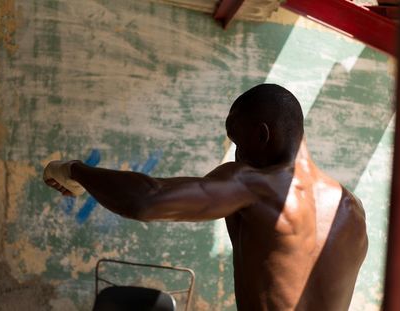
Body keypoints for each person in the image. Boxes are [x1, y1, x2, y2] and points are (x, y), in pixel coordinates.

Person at [44, 84, 368, 311]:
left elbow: (148, 199)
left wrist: (73, 170)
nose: (237, 155)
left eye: (238, 142)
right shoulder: (351, 208)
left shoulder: (255, 185)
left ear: (261, 134)